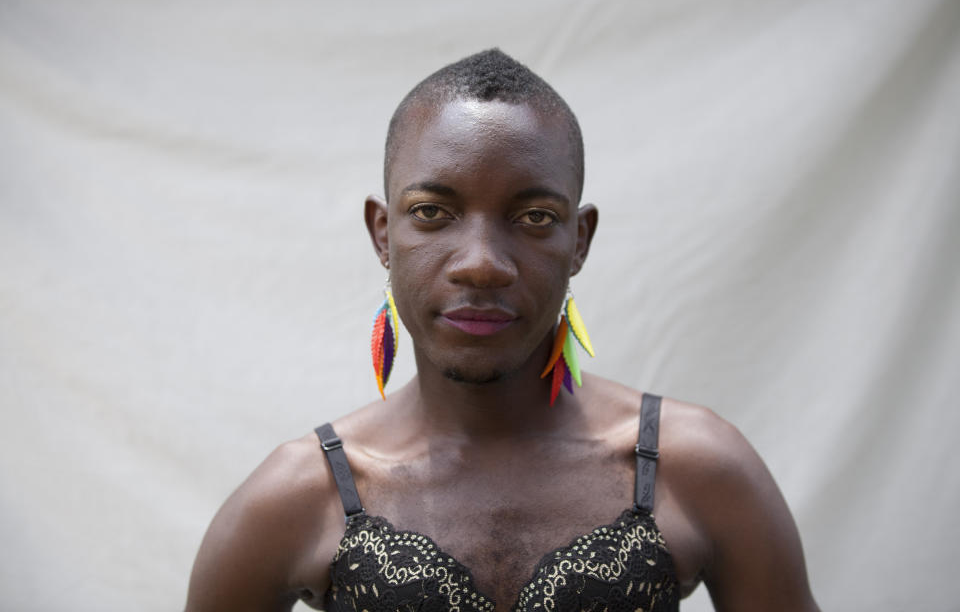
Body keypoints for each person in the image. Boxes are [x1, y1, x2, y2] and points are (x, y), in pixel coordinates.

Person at [185, 49, 819, 611]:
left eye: (535, 216)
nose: (482, 263)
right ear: (384, 234)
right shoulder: (300, 495)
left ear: (580, 240)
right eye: (432, 212)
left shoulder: (695, 467)